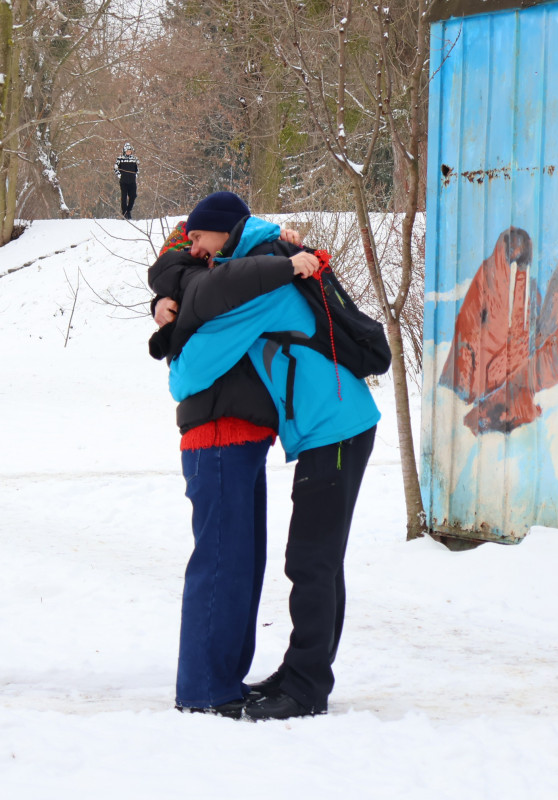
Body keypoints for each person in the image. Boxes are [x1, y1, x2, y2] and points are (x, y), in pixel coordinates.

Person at [165, 191, 380, 721]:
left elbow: (188, 374)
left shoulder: (263, 282)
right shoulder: (266, 260)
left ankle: (307, 687)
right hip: (330, 426)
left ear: (224, 232)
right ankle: (301, 672)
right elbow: (182, 268)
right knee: (317, 560)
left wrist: (173, 334)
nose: (194, 247)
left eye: (199, 237)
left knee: (312, 560)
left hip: (334, 427)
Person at [148, 219, 320, 718]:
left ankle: (222, 679)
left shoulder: (204, 273)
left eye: (205, 239)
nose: (201, 247)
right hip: (218, 432)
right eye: (195, 243)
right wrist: (284, 260)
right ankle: (204, 688)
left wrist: (282, 244)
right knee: (223, 562)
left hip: (243, 435)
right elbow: (210, 280)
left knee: (242, 564)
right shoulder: (193, 275)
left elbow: (230, 274)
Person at [115, 143, 139, 220]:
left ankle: (129, 211)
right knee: (124, 197)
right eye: (127, 151)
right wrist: (119, 175)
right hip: (123, 181)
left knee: (133, 196)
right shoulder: (120, 159)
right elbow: (115, 168)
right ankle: (124, 213)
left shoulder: (134, 159)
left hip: (132, 181)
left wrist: (136, 175)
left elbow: (137, 169)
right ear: (124, 151)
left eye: (130, 151)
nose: (129, 152)